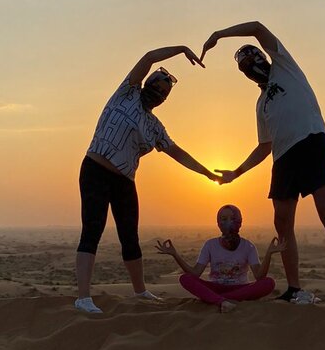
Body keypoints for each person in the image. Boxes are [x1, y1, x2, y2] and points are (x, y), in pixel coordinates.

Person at [200, 20, 325, 305]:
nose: (251, 64)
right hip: (283, 157)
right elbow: (265, 146)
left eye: (253, 57)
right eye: (245, 65)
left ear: (262, 55)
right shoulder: (261, 103)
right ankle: (294, 288)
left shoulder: (284, 66)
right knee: (282, 222)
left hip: (311, 141)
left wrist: (219, 35)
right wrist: (236, 172)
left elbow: (257, 28)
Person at [75, 46, 219, 314]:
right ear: (147, 83)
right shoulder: (126, 93)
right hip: (95, 170)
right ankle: (84, 297)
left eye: (164, 93)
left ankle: (140, 290)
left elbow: (177, 152)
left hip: (124, 181)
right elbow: (149, 57)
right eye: (157, 87)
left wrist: (207, 173)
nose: (159, 94)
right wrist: (181, 50)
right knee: (92, 230)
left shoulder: (154, 126)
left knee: (129, 235)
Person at [155, 204, 284, 313]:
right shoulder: (210, 245)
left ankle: (217, 299)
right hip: (215, 287)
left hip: (240, 288)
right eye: (224, 219)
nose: (228, 222)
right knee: (185, 278)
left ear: (239, 221)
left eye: (232, 218)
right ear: (218, 222)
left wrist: (269, 254)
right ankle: (220, 300)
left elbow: (259, 276)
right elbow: (195, 273)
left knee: (269, 283)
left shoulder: (248, 246)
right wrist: (175, 254)